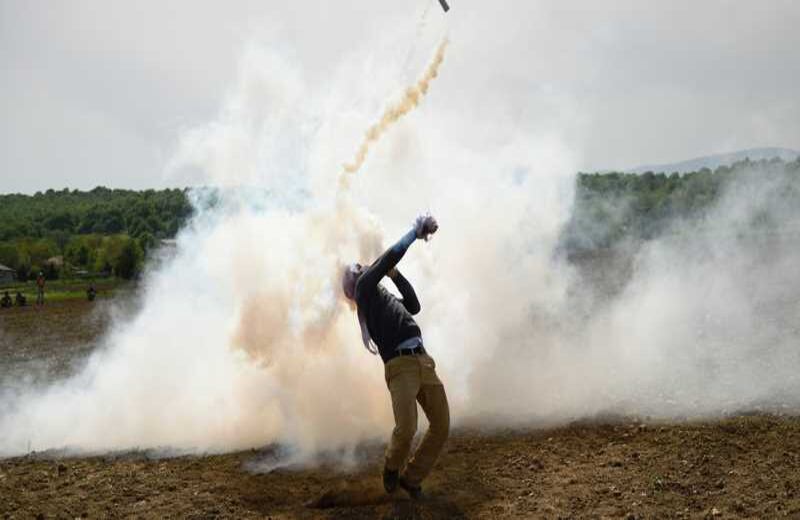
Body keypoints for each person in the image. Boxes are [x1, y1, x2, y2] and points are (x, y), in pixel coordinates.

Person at [342, 214, 448, 500]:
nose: (359, 266)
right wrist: (414, 233)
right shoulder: (364, 288)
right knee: (407, 428)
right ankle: (391, 468)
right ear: (353, 287)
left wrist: (396, 276)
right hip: (400, 366)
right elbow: (388, 257)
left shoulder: (383, 299)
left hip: (423, 360)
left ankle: (411, 479)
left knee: (441, 424)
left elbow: (414, 305)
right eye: (354, 269)